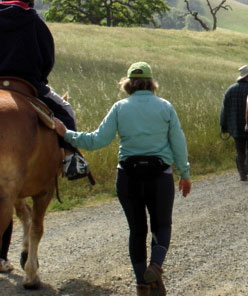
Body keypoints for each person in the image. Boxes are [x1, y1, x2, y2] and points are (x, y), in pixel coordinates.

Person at [54, 62, 192, 296]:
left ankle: (141, 284)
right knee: (162, 225)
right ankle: (156, 266)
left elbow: (97, 140)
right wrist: (185, 174)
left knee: (137, 230)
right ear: (151, 83)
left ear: (128, 84)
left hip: (128, 176)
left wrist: (66, 134)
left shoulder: (119, 107)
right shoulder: (166, 107)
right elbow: (178, 143)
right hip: (159, 176)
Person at [0, 0, 88, 179]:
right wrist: (40, 79)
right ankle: (71, 159)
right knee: (65, 110)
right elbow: (47, 58)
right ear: (30, 1)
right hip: (28, 84)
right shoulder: (35, 21)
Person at [220, 64, 248, 181]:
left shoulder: (230, 90)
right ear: (247, 76)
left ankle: (242, 175)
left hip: (235, 126)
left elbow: (224, 109)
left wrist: (223, 126)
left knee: (240, 151)